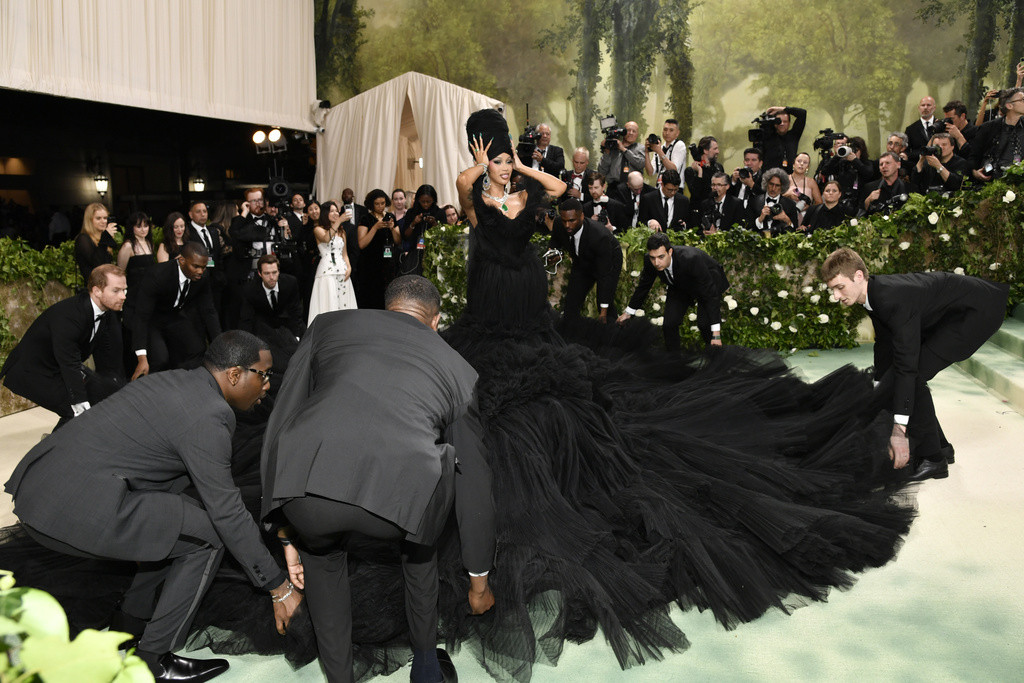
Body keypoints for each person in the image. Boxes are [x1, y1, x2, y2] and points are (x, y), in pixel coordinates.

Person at [5, 331, 301, 682]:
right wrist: (278, 587)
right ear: (235, 374)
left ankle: (128, 625)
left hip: (42, 488)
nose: (267, 385)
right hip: (73, 507)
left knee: (176, 520)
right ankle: (154, 660)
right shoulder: (210, 415)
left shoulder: (174, 380)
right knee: (209, 535)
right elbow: (227, 513)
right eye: (263, 375)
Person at [262, 276, 496, 683]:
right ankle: (426, 668)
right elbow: (474, 482)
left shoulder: (327, 325)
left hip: (309, 491)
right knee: (421, 546)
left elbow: (282, 419)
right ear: (436, 321)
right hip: (401, 501)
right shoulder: (460, 370)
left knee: (322, 560)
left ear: (387, 308)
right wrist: (479, 582)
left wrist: (284, 531)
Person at [821, 247, 1009, 482]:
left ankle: (934, 459)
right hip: (952, 313)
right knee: (904, 378)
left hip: (976, 313)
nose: (836, 296)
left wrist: (899, 430)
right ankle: (941, 448)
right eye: (832, 289)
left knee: (913, 375)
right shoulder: (874, 294)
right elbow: (884, 342)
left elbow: (907, 366)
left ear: (858, 276)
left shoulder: (891, 299)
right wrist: (881, 385)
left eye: (840, 287)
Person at [0, 264, 127, 428]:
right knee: (77, 412)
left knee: (105, 393)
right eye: (116, 291)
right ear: (97, 291)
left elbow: (106, 354)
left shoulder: (104, 312)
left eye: (124, 290)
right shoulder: (70, 316)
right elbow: (69, 362)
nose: (123, 296)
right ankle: (54, 445)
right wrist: (80, 403)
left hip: (58, 366)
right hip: (32, 372)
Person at [617, 232, 728, 349]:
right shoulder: (650, 261)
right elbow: (644, 286)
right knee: (669, 324)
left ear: (670, 252)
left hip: (708, 281)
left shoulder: (691, 258)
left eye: (661, 257)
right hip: (679, 285)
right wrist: (628, 312)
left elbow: (710, 295)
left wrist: (716, 334)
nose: (656, 263)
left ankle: (715, 353)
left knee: (705, 324)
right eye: (653, 257)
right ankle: (674, 358)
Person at [130, 241, 221, 379]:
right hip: (150, 319)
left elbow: (208, 310)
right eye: (196, 266)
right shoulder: (158, 275)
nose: (200, 271)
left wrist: (220, 345)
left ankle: (181, 382)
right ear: (182, 261)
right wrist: (141, 357)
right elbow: (142, 316)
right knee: (160, 358)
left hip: (173, 315)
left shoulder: (202, 277)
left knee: (196, 349)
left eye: (203, 267)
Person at [545, 198, 623, 321]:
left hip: (609, 260)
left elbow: (605, 276)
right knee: (571, 303)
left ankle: (611, 327)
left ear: (581, 216)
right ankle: (571, 330)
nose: (567, 225)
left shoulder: (599, 236)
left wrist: (603, 313)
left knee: (604, 303)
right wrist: (553, 252)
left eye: (572, 221)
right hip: (581, 261)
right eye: (565, 221)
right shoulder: (559, 223)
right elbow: (555, 240)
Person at [240, 254, 305, 384]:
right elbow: (246, 320)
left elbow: (296, 312)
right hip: (264, 330)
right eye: (267, 273)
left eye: (274, 272)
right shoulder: (250, 290)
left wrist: (296, 336)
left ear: (279, 271)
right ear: (259, 274)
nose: (271, 277)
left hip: (287, 326)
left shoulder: (290, 283)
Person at [307, 200, 356, 324]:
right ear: (325, 214)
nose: (336, 213)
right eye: (332, 211)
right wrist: (339, 221)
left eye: (336, 211)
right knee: (329, 301)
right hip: (327, 272)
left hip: (342, 271)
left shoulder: (342, 232)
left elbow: (344, 254)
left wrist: (349, 267)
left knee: (344, 302)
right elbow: (326, 238)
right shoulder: (318, 229)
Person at [355, 189, 402, 309]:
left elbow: (398, 241)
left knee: (387, 294)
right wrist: (375, 227)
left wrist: (392, 228)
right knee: (371, 295)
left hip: (387, 263)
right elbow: (361, 244)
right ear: (371, 204)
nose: (380, 206)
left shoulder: (390, 217)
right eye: (377, 204)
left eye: (383, 203)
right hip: (370, 264)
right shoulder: (366, 218)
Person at [971, 87, 1024, 183]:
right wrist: (974, 172)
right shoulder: (988, 128)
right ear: (1009, 106)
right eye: (1022, 99)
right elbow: (973, 155)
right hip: (992, 182)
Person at [399, 185, 447, 276]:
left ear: (434, 200)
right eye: (422, 201)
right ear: (418, 200)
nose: (425, 204)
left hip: (435, 254)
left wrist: (434, 224)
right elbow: (405, 236)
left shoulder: (440, 213)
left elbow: (444, 236)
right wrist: (413, 223)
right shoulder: (411, 212)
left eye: (428, 201)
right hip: (415, 255)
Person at [73, 202, 118, 285]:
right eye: (98, 218)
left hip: (106, 285)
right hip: (93, 287)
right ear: (90, 220)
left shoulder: (102, 237)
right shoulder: (83, 239)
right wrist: (105, 238)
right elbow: (97, 264)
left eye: (105, 218)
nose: (103, 221)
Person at [749, 168, 798, 236]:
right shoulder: (753, 201)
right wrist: (760, 219)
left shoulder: (790, 205)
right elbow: (747, 228)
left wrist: (787, 220)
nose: (773, 188)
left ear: (782, 186)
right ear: (766, 183)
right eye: (771, 184)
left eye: (777, 185)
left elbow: (795, 231)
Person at [116, 212, 156, 293]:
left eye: (146, 226)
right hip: (134, 290)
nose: (143, 230)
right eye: (139, 226)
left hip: (150, 289)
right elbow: (120, 271)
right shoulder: (128, 246)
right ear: (132, 227)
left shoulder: (150, 244)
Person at [597, 120, 645, 188]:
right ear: (623, 132)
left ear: (637, 134)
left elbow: (641, 164)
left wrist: (623, 149)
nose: (631, 133)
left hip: (632, 187)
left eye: (634, 131)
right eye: (628, 130)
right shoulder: (613, 147)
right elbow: (602, 171)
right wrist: (607, 152)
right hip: (613, 187)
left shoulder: (640, 148)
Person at [759, 105, 807, 171]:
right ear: (774, 123)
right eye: (779, 121)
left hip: (789, 175)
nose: (782, 124)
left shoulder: (793, 135)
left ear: (789, 123)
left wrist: (779, 109)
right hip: (769, 175)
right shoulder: (768, 136)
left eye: (785, 121)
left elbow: (802, 113)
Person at [644, 118, 688, 184]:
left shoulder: (679, 145)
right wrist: (646, 152)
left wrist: (659, 151)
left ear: (677, 133)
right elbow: (650, 172)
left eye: (671, 130)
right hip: (660, 187)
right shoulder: (660, 147)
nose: (667, 133)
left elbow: (673, 169)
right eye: (665, 129)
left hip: (674, 187)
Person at [784, 152, 822, 223]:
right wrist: (787, 195)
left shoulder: (811, 182)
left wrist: (809, 207)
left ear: (807, 167)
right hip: (786, 217)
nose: (801, 164)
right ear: (793, 164)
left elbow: (819, 203)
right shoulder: (784, 179)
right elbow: (774, 197)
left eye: (805, 162)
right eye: (799, 161)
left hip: (805, 219)